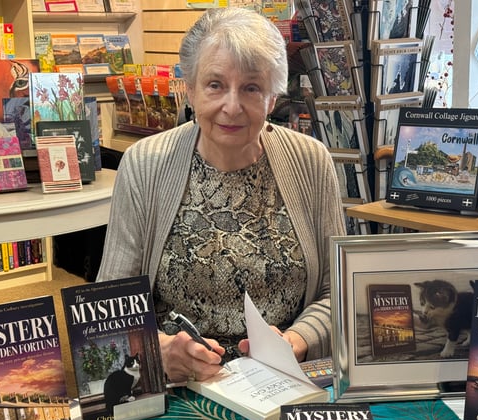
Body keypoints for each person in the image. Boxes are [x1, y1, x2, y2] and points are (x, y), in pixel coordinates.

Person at [96, 7, 346, 384]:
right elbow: (108, 310)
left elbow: (336, 291)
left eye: (251, 87)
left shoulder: (311, 161)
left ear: (273, 97)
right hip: (181, 387)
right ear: (191, 89)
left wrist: (297, 340)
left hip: (285, 381)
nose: (232, 106)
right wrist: (158, 351)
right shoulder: (145, 164)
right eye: (215, 84)